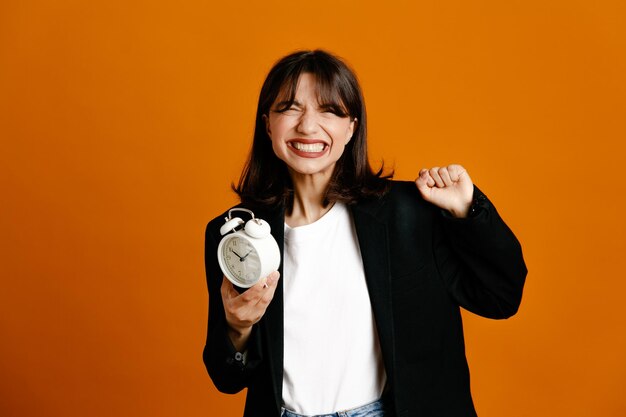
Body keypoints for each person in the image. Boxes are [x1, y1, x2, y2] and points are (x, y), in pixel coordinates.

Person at [203, 49, 527, 417]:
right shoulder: (235, 235)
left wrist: (469, 210)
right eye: (289, 108)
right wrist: (237, 324)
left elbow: (502, 296)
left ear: (351, 127)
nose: (308, 126)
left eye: (329, 110)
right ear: (267, 124)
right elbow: (225, 376)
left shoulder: (408, 214)